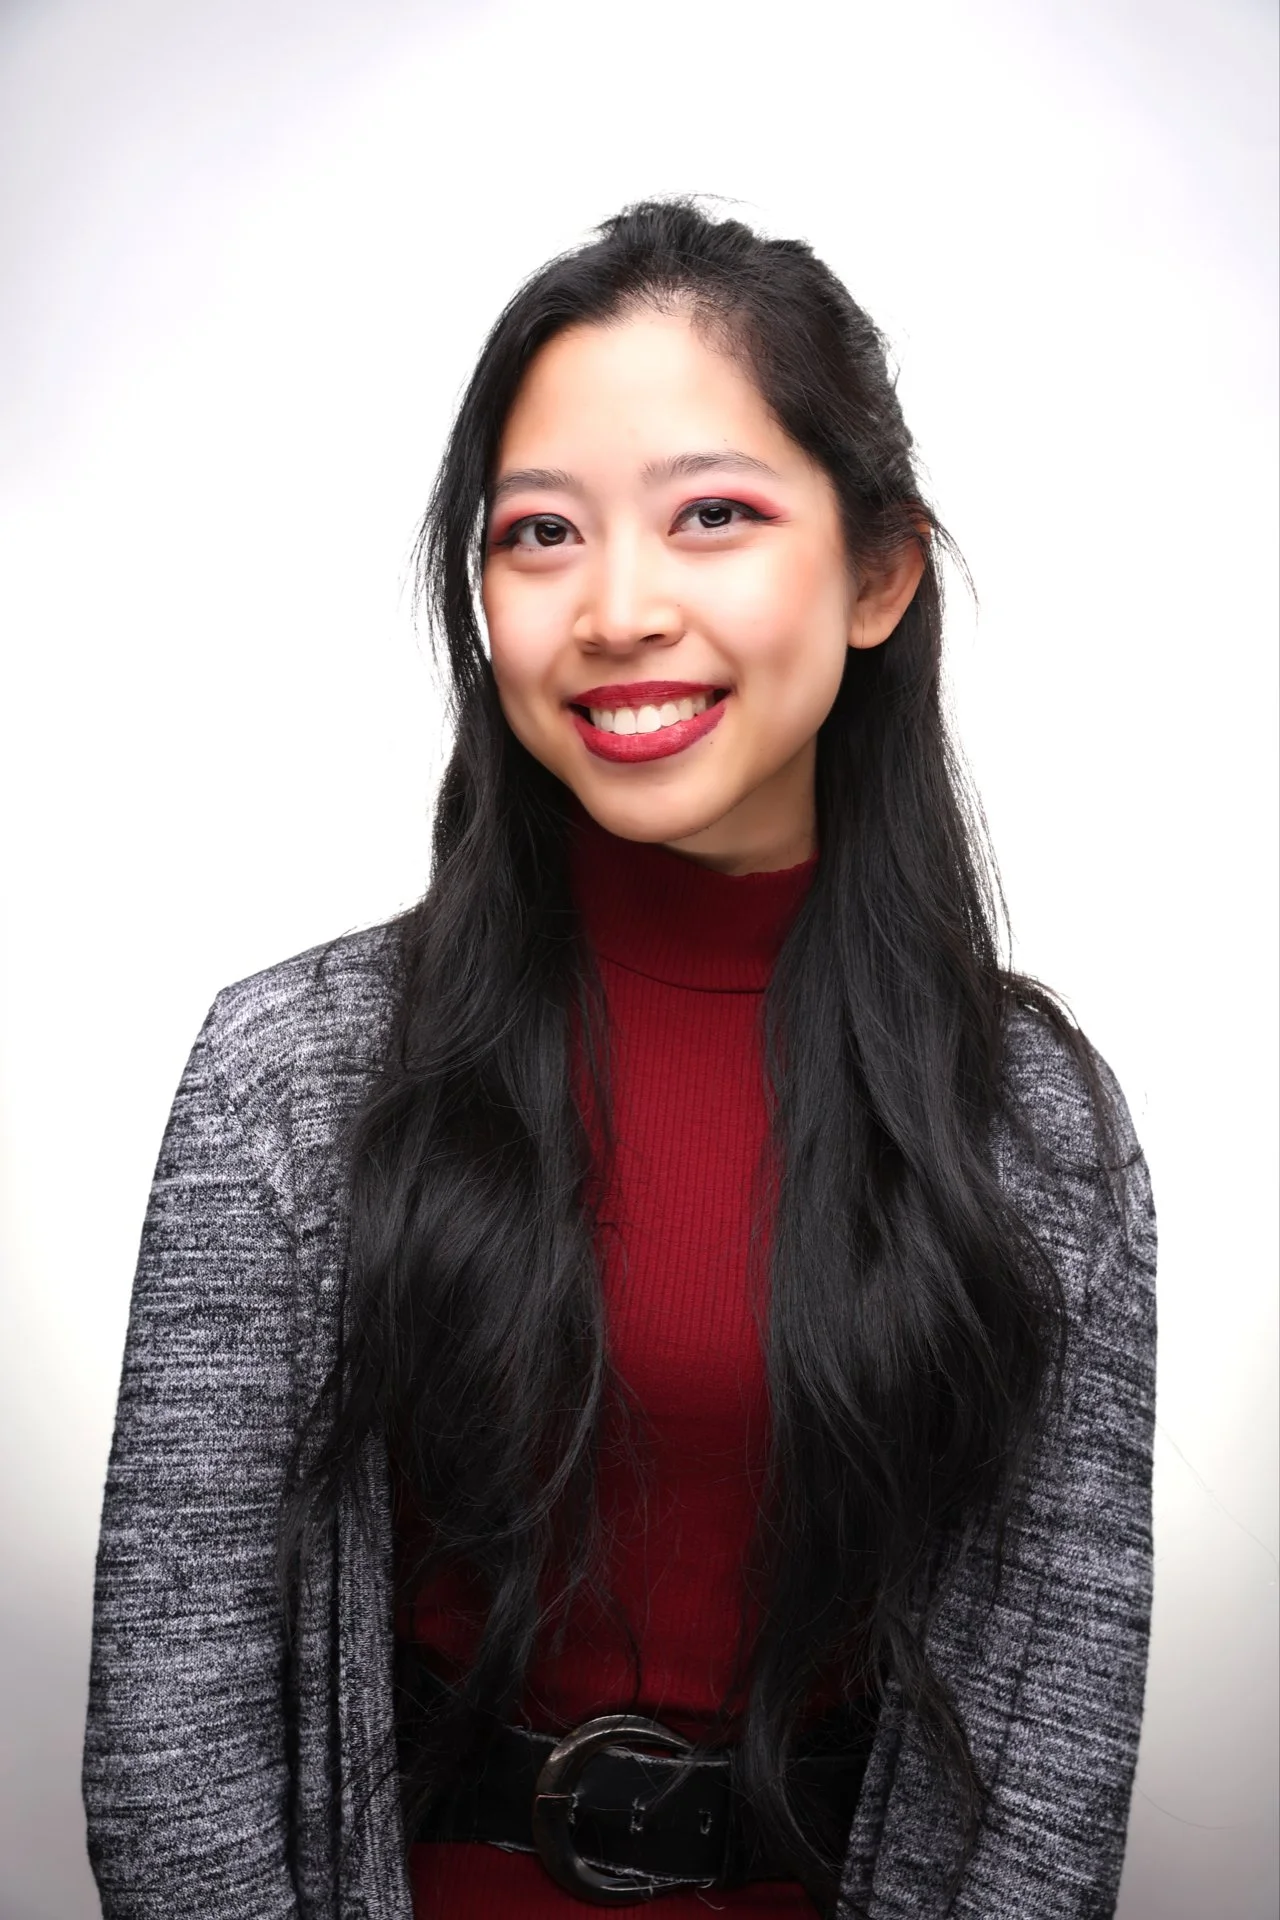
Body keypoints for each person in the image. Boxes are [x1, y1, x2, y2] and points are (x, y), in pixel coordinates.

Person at [82, 199, 1157, 1919]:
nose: (617, 608)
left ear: (880, 573)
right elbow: (169, 1746)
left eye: (713, 515)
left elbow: (1050, 1781)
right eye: (539, 536)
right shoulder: (290, 1075)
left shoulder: (1039, 1131)